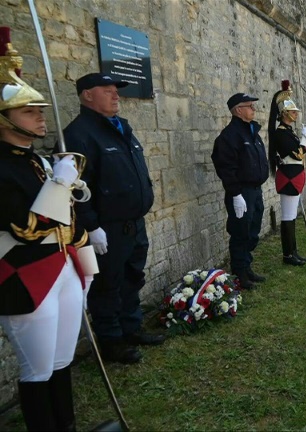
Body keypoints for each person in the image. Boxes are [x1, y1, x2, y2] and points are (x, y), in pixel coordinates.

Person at [0, 37, 92, 430]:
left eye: (40, 109)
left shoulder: (38, 159)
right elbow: (26, 227)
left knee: (61, 361)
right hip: (25, 272)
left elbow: (66, 218)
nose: (41, 117)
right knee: (37, 369)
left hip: (62, 266)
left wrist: (84, 238)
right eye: (29, 111)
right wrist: (59, 185)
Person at [63, 73, 164, 364]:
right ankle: (111, 342)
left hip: (134, 222)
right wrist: (91, 226)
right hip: (107, 227)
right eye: (106, 90)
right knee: (107, 284)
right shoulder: (79, 134)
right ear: (87, 95)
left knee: (133, 277)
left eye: (115, 90)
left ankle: (131, 328)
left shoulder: (122, 129)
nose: (115, 95)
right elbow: (76, 188)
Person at [211, 92, 269, 288]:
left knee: (253, 230)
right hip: (241, 192)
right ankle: (239, 273)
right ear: (238, 110)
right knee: (240, 231)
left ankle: (246, 265)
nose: (254, 109)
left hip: (255, 190)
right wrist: (236, 194)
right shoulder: (229, 136)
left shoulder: (252, 132)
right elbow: (226, 167)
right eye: (250, 106)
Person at [267, 80, 306, 266]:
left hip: (294, 176)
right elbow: (297, 153)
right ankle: (288, 255)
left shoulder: (289, 132)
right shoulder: (281, 134)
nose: (296, 114)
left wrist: (301, 138)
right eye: (293, 112)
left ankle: (293, 251)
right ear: (284, 114)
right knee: (288, 217)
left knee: (292, 217)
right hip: (289, 178)